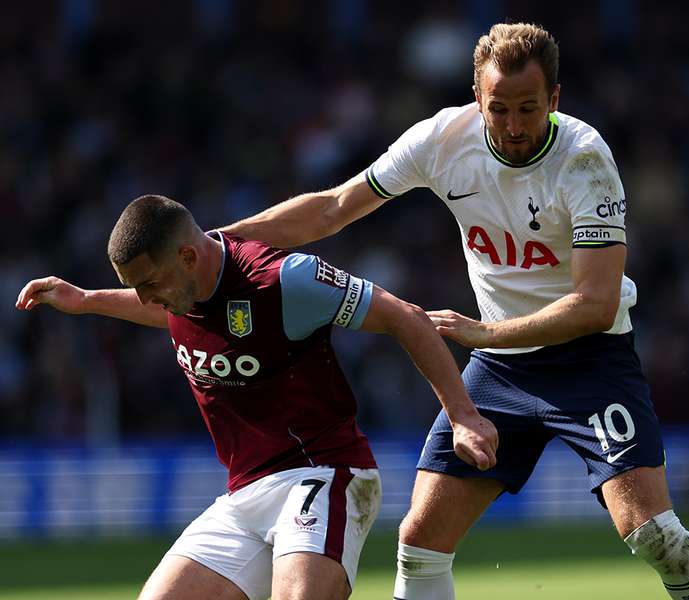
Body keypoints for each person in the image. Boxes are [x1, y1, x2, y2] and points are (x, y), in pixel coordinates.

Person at [224, 22, 689, 600]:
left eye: (529, 108)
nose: (514, 127)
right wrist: (219, 242)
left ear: (556, 100)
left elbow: (595, 305)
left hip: (591, 362)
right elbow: (332, 209)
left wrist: (483, 331)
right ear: (477, 99)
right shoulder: (441, 141)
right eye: (499, 109)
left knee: (653, 535)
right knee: (420, 542)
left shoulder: (585, 160)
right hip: (500, 370)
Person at [15, 195, 498, 600]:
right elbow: (173, 312)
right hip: (245, 493)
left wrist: (462, 414)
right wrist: (86, 300)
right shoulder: (180, 290)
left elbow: (405, 316)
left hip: (322, 471)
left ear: (187, 257)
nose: (145, 298)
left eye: (149, 284)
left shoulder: (283, 280)